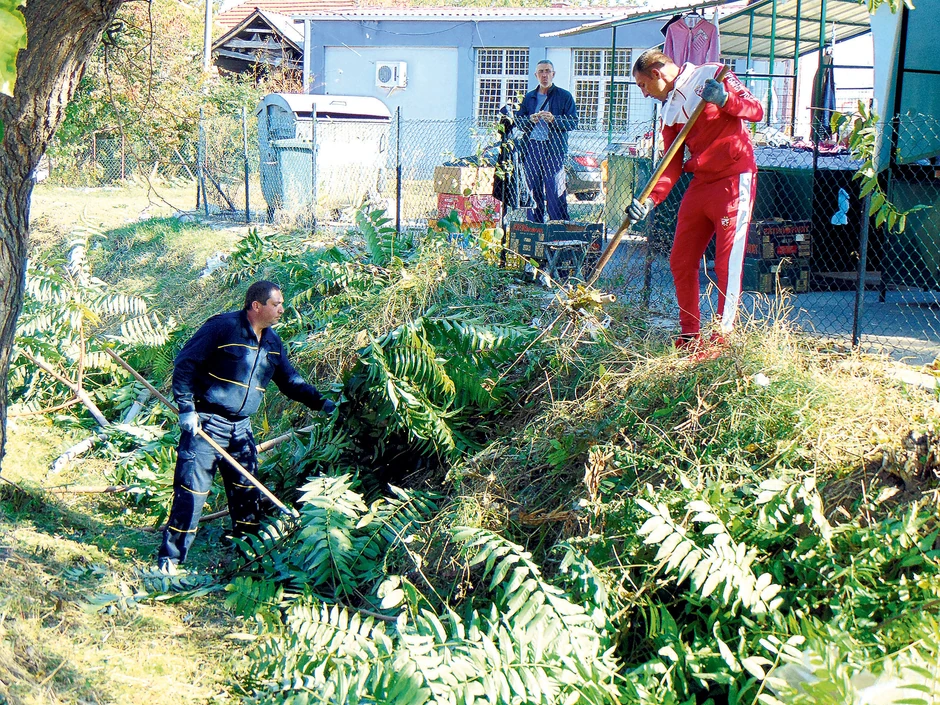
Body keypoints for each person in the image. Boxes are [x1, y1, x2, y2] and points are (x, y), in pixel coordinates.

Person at [157, 280, 335, 573]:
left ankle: (248, 561)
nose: (281, 309)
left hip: (241, 430)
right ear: (256, 306)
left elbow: (291, 382)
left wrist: (322, 403)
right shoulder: (222, 328)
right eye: (276, 304)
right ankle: (170, 561)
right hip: (206, 424)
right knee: (192, 492)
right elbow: (186, 364)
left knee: (247, 496)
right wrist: (187, 409)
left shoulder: (272, 344)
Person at [628, 49, 764, 351]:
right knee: (680, 259)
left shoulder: (711, 73)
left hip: (734, 178)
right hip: (701, 182)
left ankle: (721, 340)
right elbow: (671, 162)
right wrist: (649, 201)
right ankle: (690, 337)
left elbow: (756, 110)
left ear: (656, 73)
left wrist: (725, 100)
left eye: (643, 86)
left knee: (726, 264)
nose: (645, 94)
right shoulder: (668, 109)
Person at [516, 59, 579, 223]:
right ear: (536, 75)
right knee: (532, 190)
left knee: (554, 190)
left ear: (553, 74)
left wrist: (554, 119)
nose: (544, 75)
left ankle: (558, 227)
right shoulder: (529, 97)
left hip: (554, 150)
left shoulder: (564, 96)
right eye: (541, 71)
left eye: (548, 71)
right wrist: (530, 119)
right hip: (533, 148)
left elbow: (573, 122)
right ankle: (534, 227)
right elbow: (518, 122)